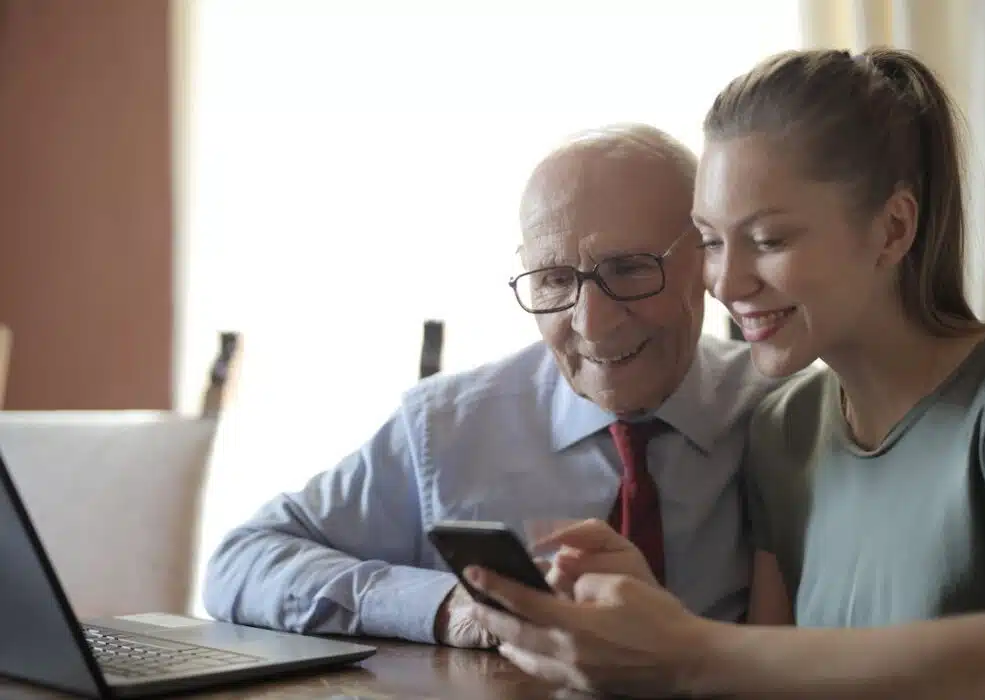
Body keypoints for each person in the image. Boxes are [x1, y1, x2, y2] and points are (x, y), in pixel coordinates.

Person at [466, 47, 985, 699]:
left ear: (893, 229)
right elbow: (768, 678)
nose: (726, 281)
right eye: (711, 242)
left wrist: (686, 648)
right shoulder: (783, 424)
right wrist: (648, 618)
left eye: (768, 240)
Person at [200, 123, 778, 648]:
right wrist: (444, 605)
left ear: (707, 259)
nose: (591, 324)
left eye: (629, 269)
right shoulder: (447, 427)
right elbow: (241, 561)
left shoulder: (786, 413)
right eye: (554, 280)